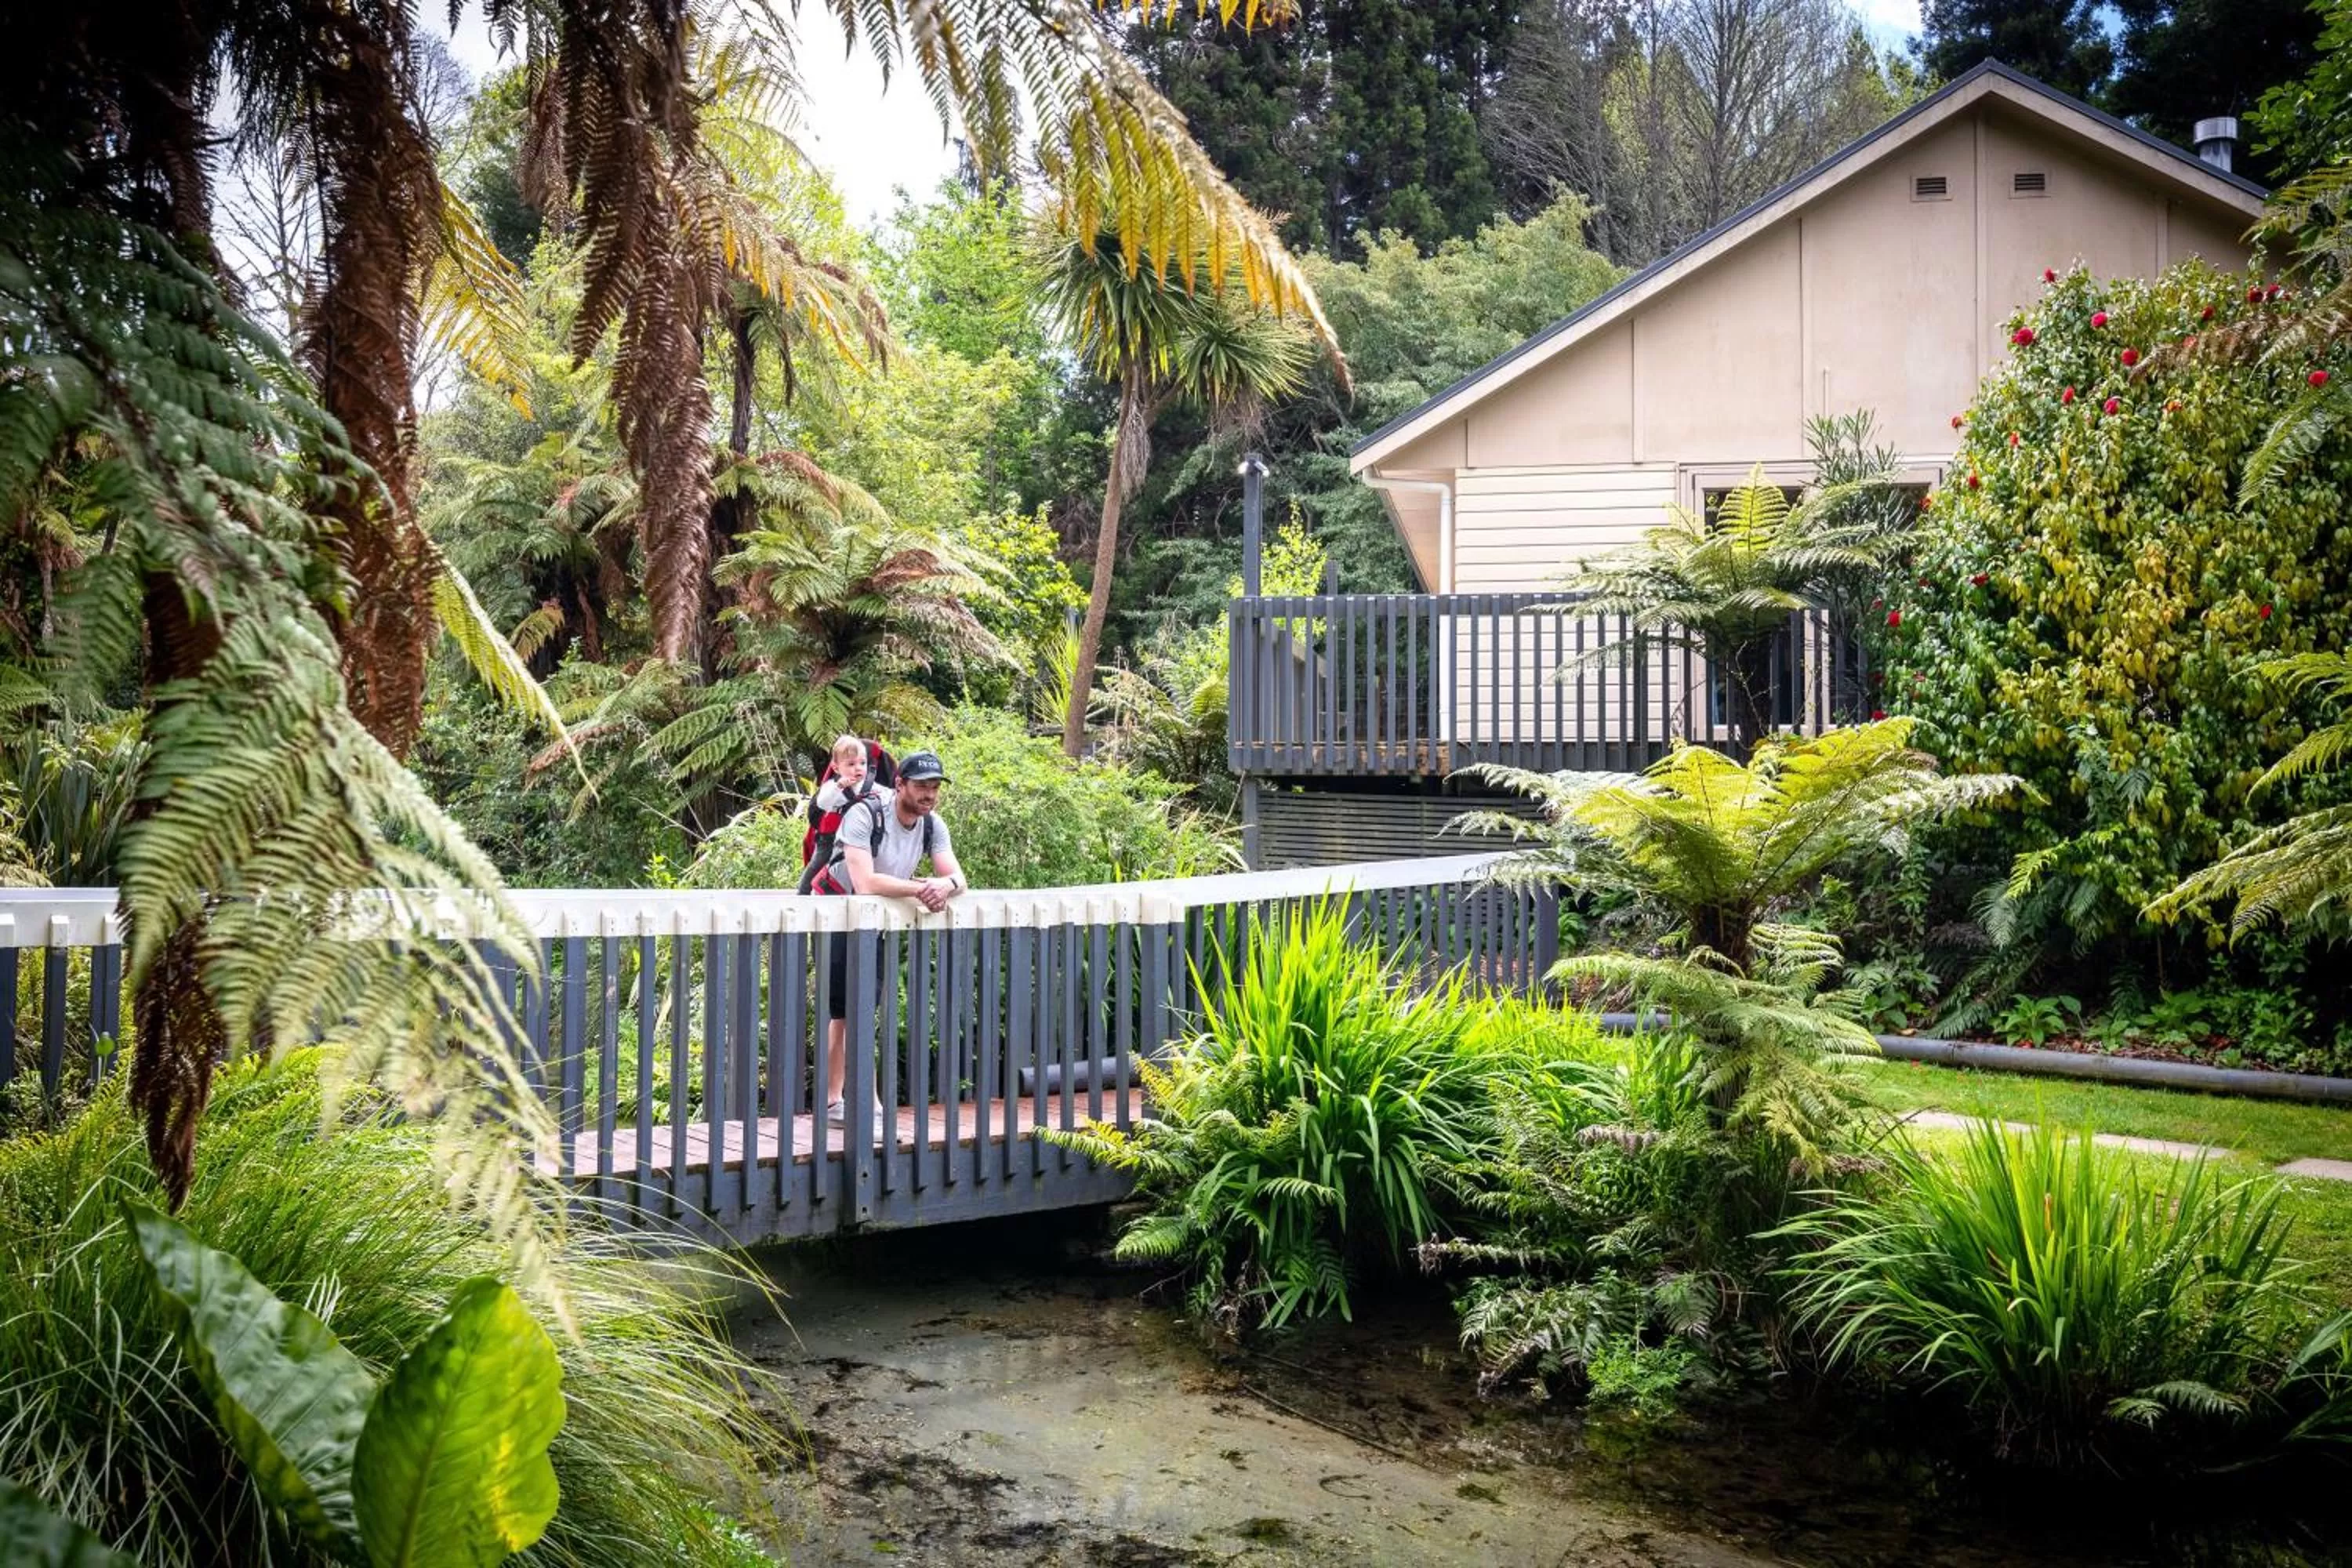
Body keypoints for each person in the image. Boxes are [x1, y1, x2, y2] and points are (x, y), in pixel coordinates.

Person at [808, 749, 967, 1126]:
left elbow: (957, 877)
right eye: (921, 786)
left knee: (860, 1010)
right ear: (900, 785)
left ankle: (845, 1102)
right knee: (847, 1010)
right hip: (836, 911)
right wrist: (922, 889)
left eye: (934, 787)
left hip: (873, 922)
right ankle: (856, 1104)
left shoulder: (933, 826)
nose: (929, 794)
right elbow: (865, 882)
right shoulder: (865, 814)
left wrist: (945, 886)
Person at [799, 733, 887, 894]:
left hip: (858, 834)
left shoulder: (871, 786)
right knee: (818, 864)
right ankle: (803, 893)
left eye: (862, 763)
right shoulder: (832, 786)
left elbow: (887, 797)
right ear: (836, 768)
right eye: (851, 764)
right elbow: (822, 803)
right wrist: (839, 787)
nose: (858, 768)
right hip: (831, 837)